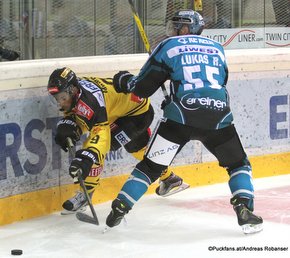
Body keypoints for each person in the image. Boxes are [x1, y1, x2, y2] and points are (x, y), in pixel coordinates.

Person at [106, 9, 263, 234]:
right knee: (238, 164)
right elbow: (218, 81)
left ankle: (120, 207)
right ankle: (244, 208)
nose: (173, 30)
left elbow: (141, 89)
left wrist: (124, 80)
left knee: (150, 167)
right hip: (218, 117)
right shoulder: (218, 49)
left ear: (187, 28)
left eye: (177, 26)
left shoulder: (168, 46)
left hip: (180, 119)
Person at [47, 67, 189, 214]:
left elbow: (100, 136)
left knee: (93, 150)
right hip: (123, 109)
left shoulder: (91, 102)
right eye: (57, 99)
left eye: (63, 98)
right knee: (136, 149)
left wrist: (86, 158)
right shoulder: (78, 92)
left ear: (73, 90)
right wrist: (70, 124)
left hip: (136, 116)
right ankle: (170, 179)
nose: (60, 103)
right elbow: (86, 116)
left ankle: (86, 194)